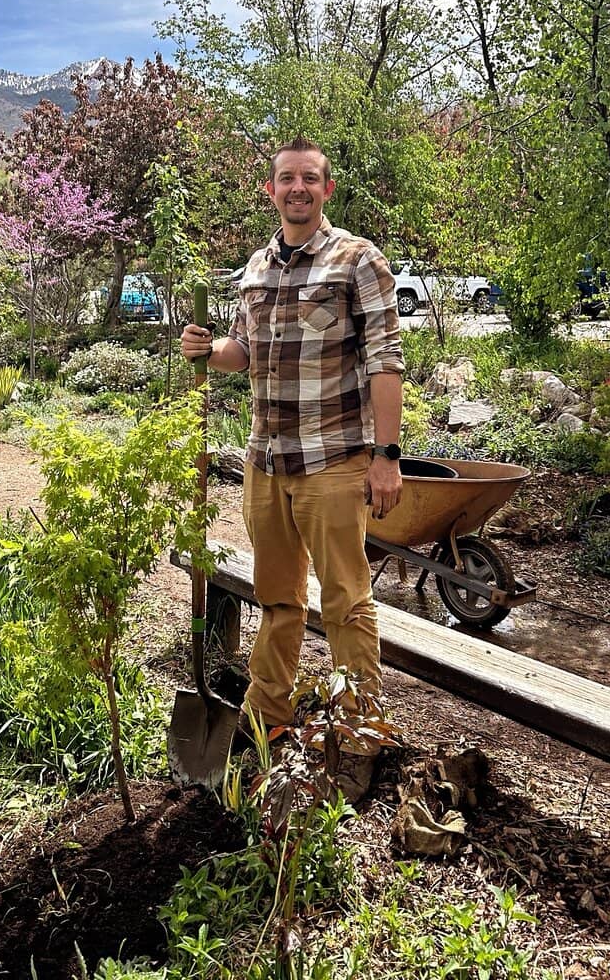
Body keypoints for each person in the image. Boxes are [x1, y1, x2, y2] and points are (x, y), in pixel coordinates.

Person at [181, 136, 404, 798]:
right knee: (277, 597)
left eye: (310, 178)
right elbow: (244, 351)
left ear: (326, 189)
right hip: (266, 461)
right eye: (287, 178)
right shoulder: (256, 268)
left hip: (333, 461)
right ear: (270, 189)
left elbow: (385, 361)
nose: (297, 188)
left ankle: (360, 735)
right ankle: (267, 715)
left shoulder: (357, 260)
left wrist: (386, 456)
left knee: (345, 602)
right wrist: (208, 349)